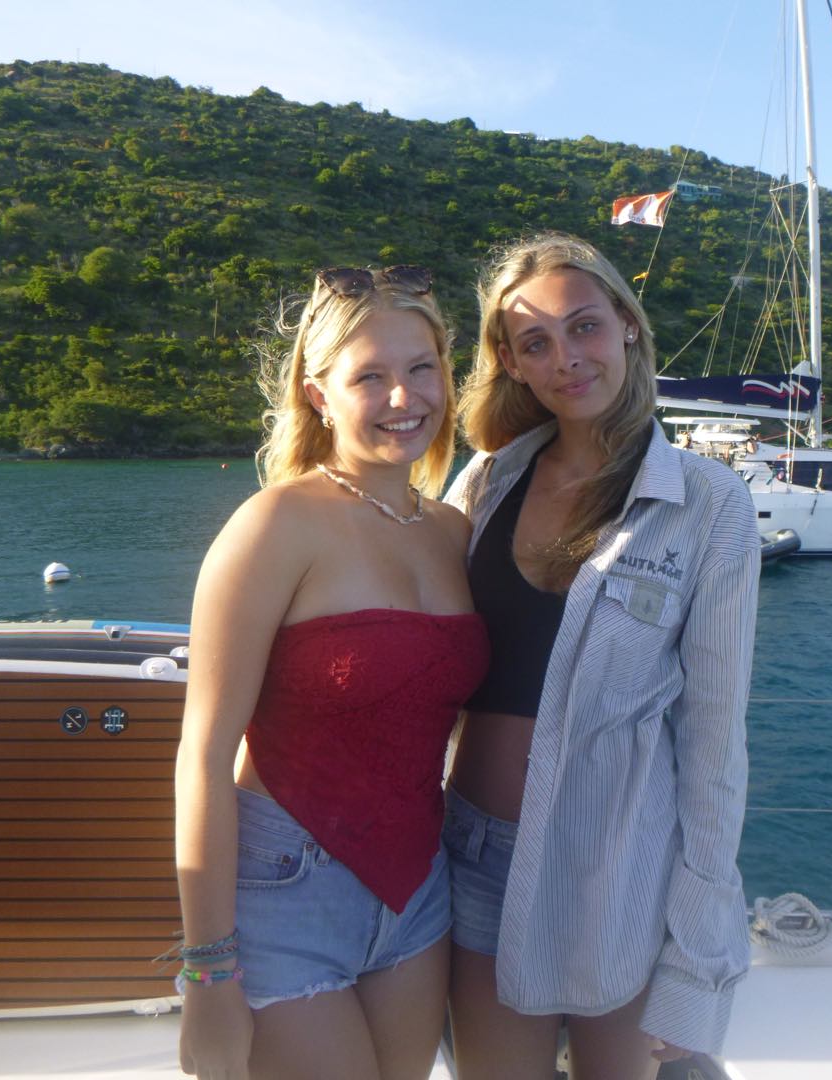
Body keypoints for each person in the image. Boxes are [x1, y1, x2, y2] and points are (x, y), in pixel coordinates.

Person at [443, 233, 758, 1080]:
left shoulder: (707, 503)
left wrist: (699, 948)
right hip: (473, 853)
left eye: (583, 326)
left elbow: (714, 741)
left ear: (626, 323)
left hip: (618, 862)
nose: (566, 359)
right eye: (535, 342)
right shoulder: (485, 484)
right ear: (511, 363)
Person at [175, 265, 489, 1080]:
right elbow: (202, 756)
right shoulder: (274, 527)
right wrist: (208, 973)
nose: (403, 398)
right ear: (319, 394)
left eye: (421, 368)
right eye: (369, 377)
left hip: (418, 889)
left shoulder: (453, 533)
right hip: (284, 887)